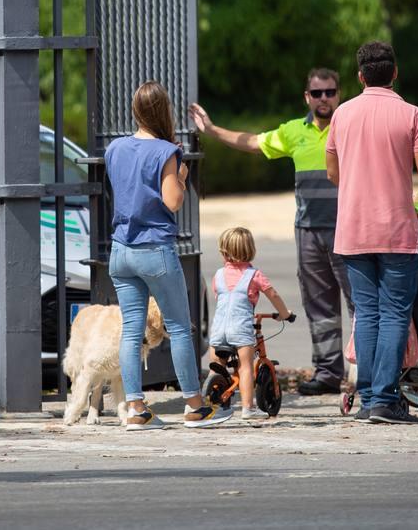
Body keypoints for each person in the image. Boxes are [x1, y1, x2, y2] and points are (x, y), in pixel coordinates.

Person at [188, 69, 351, 396]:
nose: (323, 99)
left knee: (361, 304)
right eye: (317, 93)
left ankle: (371, 377)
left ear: (338, 94)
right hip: (308, 233)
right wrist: (212, 130)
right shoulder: (294, 131)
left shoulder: (350, 127)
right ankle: (329, 373)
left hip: (348, 229)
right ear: (307, 96)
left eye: (329, 92)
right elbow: (252, 142)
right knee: (320, 307)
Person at [325, 42, 418, 425]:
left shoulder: (341, 115)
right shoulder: (411, 114)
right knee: (395, 313)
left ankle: (366, 398)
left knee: (367, 313)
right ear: (395, 73)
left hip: (353, 230)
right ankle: (386, 399)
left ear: (360, 76)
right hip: (396, 229)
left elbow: (333, 172)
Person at [106, 81, 233, 430]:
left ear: (135, 110)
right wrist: (181, 172)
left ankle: (136, 410)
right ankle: (194, 406)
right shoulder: (166, 152)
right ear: (164, 111)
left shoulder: (115, 148)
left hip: (121, 250)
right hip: (154, 249)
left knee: (131, 332)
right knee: (178, 328)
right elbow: (172, 201)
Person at [207, 226, 293, 421]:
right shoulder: (254, 275)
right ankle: (248, 408)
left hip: (218, 329)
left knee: (216, 368)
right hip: (240, 329)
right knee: (245, 367)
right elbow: (273, 294)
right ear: (250, 250)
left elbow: (220, 295)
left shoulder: (218, 275)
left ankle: (211, 403)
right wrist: (284, 313)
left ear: (223, 251)